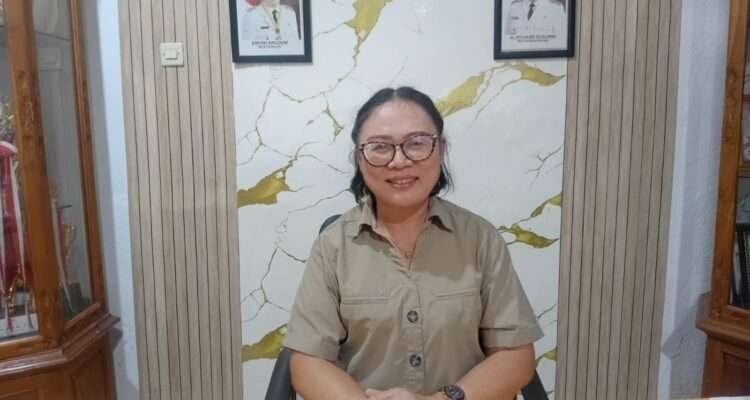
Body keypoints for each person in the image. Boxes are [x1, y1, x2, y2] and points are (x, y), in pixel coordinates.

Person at [283, 87, 543, 400]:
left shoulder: (481, 239)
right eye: (380, 147)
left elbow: (515, 356)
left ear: (441, 149)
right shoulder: (333, 246)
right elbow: (308, 362)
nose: (399, 161)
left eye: (416, 143)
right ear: (359, 157)